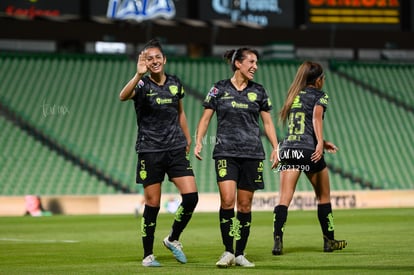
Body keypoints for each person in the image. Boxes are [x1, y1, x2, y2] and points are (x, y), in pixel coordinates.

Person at [194, 47, 279, 268]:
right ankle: (228, 251)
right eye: (251, 61)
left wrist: (276, 146)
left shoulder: (259, 91)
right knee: (227, 200)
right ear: (238, 64)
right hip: (225, 152)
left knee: (244, 206)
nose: (255, 67)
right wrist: (198, 140)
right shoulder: (218, 88)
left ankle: (240, 253)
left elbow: (268, 123)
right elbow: (205, 118)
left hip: (252, 153)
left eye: (257, 62)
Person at [119, 39, 199, 267]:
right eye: (148, 58)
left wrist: (187, 136)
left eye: (157, 57)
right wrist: (137, 74)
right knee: (152, 204)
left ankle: (173, 238)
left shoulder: (175, 83)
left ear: (164, 59)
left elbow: (180, 112)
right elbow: (123, 96)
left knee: (191, 198)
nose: (154, 61)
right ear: (144, 61)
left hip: (175, 148)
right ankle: (147, 255)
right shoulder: (142, 85)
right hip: (150, 150)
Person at [272, 61, 347, 255]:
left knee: (283, 199)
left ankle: (278, 239)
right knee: (323, 197)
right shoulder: (320, 96)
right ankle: (329, 240)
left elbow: (300, 127)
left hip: (288, 149)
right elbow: (315, 118)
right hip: (308, 150)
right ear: (319, 80)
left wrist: (324, 141)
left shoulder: (294, 96)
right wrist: (320, 142)